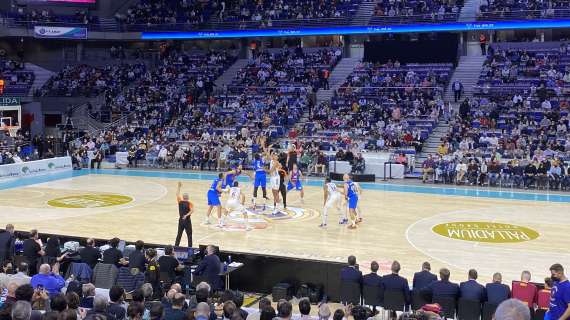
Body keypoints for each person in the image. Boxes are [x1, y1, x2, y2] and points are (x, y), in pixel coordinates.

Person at [175, 182, 193, 247]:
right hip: (187, 221)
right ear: (188, 197)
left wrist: (179, 186)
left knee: (179, 234)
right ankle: (190, 248)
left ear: (183, 197)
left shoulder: (180, 201)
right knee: (189, 235)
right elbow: (192, 211)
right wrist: (186, 215)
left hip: (181, 220)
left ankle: (176, 246)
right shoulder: (190, 203)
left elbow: (177, 194)